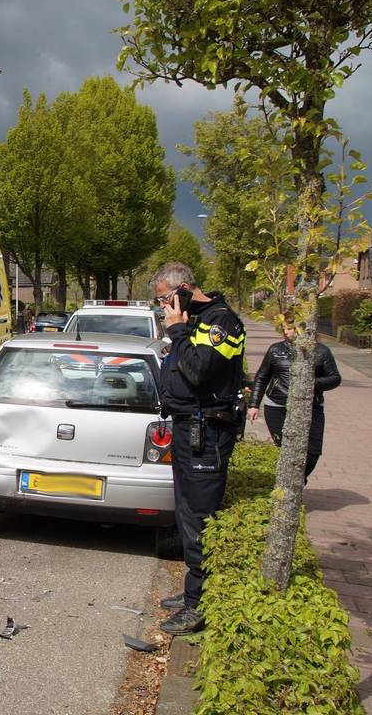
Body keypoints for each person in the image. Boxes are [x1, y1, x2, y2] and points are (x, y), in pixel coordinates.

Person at [151, 262, 245, 635]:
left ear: (185, 289)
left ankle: (198, 605)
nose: (163, 307)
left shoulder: (221, 322)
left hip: (207, 433)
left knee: (200, 520)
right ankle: (193, 591)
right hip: (187, 428)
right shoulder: (196, 321)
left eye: (164, 299)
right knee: (187, 514)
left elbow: (199, 372)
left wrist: (177, 330)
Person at [249, 312, 341, 482]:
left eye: (291, 328)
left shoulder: (321, 351)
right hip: (277, 404)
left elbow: (335, 378)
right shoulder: (275, 350)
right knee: (285, 449)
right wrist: (254, 404)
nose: (287, 332)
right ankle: (287, 486)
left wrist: (309, 383)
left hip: (311, 406)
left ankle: (296, 482)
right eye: (284, 328)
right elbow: (262, 376)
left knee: (312, 452)